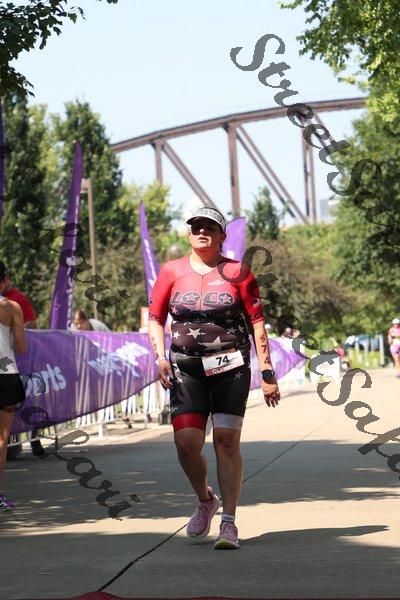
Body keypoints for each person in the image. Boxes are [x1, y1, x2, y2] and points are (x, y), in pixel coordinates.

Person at [148, 206, 280, 550]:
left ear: (222, 235)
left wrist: (267, 372)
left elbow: (257, 324)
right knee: (186, 445)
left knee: (226, 441)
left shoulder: (240, 272)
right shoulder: (171, 271)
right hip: (185, 369)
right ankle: (206, 500)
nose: (202, 232)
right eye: (196, 227)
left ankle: (229, 522)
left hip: (230, 369)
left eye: (210, 227)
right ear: (189, 234)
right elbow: (155, 318)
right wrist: (159, 357)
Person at [0, 261, 27, 509]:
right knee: (2, 439)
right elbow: (21, 347)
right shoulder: (12, 307)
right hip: (6, 375)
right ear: (3, 281)